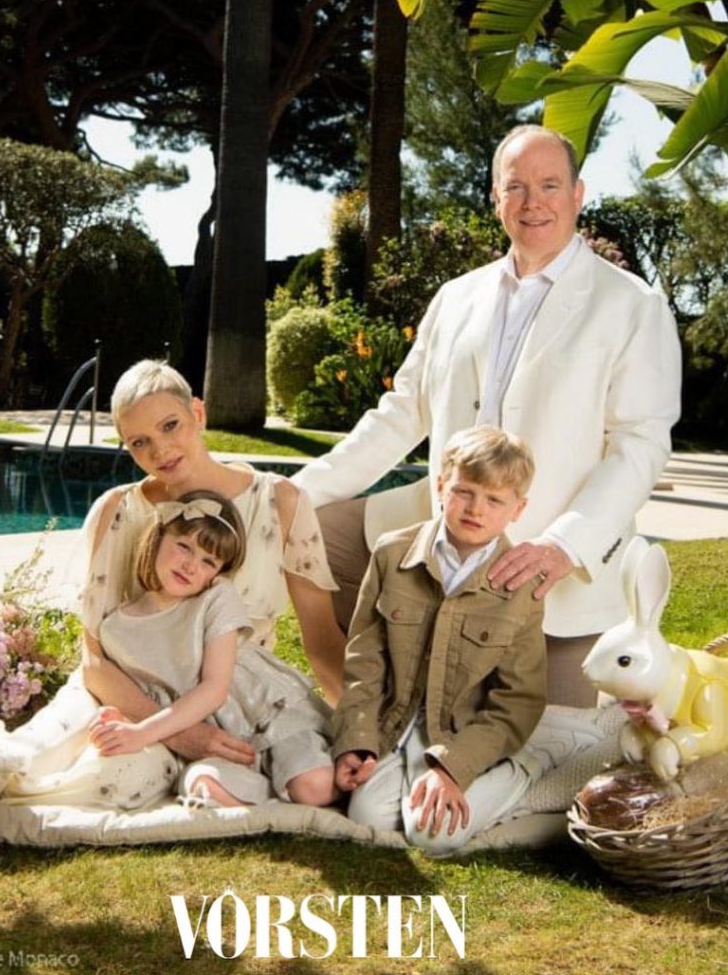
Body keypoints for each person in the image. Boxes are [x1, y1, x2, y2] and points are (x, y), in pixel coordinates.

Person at [295, 124, 683, 707]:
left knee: (555, 750)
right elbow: (403, 412)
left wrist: (562, 547)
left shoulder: (633, 304)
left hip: (553, 577)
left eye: (550, 185)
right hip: (446, 538)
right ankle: (364, 706)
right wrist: (297, 492)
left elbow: (639, 446)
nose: (533, 202)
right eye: (516, 186)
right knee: (314, 531)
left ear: (578, 194)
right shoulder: (457, 297)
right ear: (496, 197)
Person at [81, 359, 347, 773]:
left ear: (198, 413)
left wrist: (358, 738)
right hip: (136, 708)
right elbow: (93, 660)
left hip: (247, 707)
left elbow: (322, 643)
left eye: (170, 426)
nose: (160, 451)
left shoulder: (280, 502)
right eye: (139, 442)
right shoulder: (117, 511)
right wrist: (179, 734)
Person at [333, 426, 576, 854]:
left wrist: (453, 770)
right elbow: (364, 662)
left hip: (467, 735)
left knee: (432, 836)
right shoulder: (392, 555)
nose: (476, 509)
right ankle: (417, 783)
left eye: (495, 500)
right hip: (399, 727)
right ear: (441, 486)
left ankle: (526, 769)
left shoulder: (521, 584)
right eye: (464, 492)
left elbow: (517, 700)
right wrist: (357, 739)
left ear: (518, 509)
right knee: (366, 818)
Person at [88, 491, 337, 808]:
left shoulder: (216, 596)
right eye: (184, 547)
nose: (191, 566)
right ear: (158, 536)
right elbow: (143, 694)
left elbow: (215, 689)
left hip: (268, 714)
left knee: (314, 788)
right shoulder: (115, 631)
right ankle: (269, 796)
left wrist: (141, 733)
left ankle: (306, 780)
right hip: (216, 741)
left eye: (209, 561)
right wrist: (121, 717)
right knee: (201, 784)